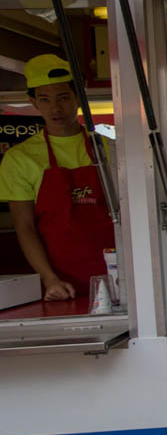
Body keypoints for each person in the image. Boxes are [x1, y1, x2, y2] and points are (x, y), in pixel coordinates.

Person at [0, 54, 115, 301]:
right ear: (33, 101)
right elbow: (25, 227)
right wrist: (49, 277)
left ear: (78, 98)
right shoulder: (20, 159)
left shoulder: (110, 150)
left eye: (63, 98)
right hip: (61, 283)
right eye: (44, 99)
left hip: (119, 275)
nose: (55, 108)